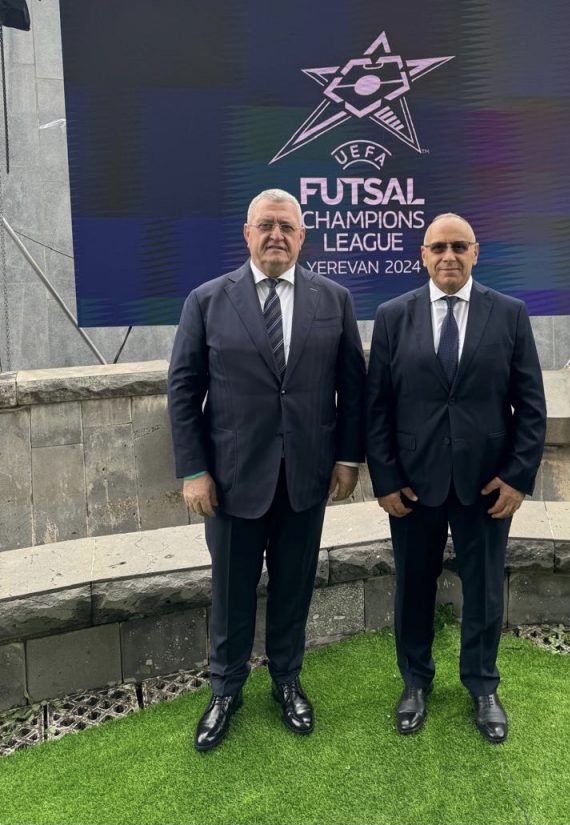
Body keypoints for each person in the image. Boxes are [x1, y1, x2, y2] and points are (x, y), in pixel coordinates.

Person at [168, 188, 366, 751]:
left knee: (293, 588)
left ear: (302, 237)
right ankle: (225, 690)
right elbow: (183, 391)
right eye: (266, 225)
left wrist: (347, 458)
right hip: (231, 483)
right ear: (247, 234)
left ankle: (287, 680)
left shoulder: (334, 300)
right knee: (230, 592)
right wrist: (194, 471)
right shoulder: (207, 301)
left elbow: (352, 388)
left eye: (286, 227)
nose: (276, 235)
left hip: (306, 478)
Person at [366, 213, 546, 743]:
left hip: (486, 486)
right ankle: (415, 683)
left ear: (475, 253)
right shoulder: (392, 316)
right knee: (413, 588)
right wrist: (385, 480)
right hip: (413, 487)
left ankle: (483, 687)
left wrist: (517, 478)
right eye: (438, 247)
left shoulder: (509, 314)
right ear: (423, 255)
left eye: (459, 247)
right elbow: (377, 408)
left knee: (485, 590)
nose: (449, 256)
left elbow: (531, 405)